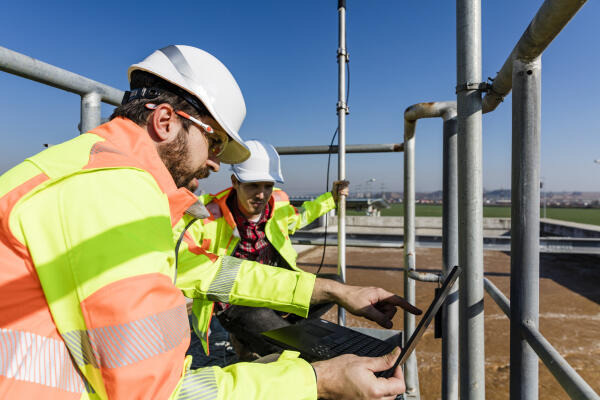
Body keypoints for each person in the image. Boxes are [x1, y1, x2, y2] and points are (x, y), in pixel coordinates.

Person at [0, 45, 418, 400]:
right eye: (214, 141)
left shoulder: (91, 173)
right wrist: (316, 380)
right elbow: (157, 392)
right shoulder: (112, 191)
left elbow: (211, 271)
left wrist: (333, 289)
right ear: (165, 122)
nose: (215, 161)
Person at [183, 139, 349, 359]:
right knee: (286, 347)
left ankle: (261, 335)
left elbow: (299, 218)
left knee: (334, 285)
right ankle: (265, 340)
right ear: (235, 181)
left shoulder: (277, 205)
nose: (262, 194)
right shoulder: (207, 215)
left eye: (267, 185)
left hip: (273, 289)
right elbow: (184, 254)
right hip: (235, 301)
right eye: (253, 185)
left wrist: (332, 199)